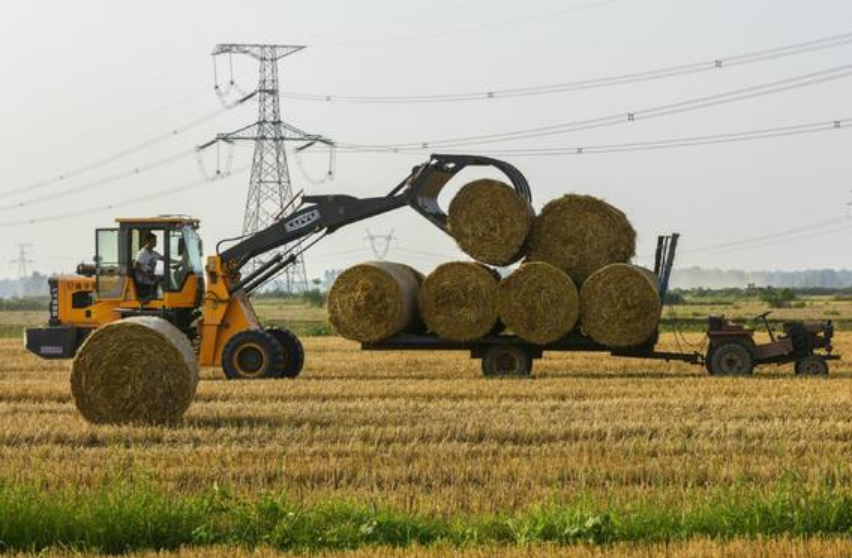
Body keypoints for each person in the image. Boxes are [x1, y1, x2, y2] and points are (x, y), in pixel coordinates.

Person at [134, 232, 162, 301]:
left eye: (156, 241)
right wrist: (146, 275)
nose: (156, 243)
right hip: (142, 278)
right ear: (147, 241)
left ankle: (154, 296)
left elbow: (165, 259)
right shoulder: (142, 253)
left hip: (149, 276)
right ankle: (151, 297)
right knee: (163, 281)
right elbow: (135, 265)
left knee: (163, 278)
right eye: (154, 241)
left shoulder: (153, 253)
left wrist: (179, 262)